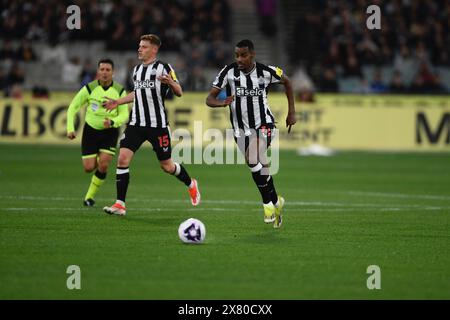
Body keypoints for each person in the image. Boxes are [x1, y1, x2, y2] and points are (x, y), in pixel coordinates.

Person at [102, 34, 200, 216]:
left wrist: (170, 82)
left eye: (144, 47)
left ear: (154, 49)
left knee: (167, 166)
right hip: (136, 124)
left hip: (158, 125)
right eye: (139, 46)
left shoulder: (163, 67)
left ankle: (191, 183)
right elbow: (137, 93)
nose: (140, 49)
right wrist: (118, 102)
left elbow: (179, 91)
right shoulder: (137, 70)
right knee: (122, 158)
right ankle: (120, 204)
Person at [206, 39, 296, 228]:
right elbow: (209, 98)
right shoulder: (227, 72)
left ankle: (267, 205)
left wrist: (291, 113)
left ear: (252, 55)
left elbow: (287, 82)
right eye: (237, 55)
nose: (239, 59)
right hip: (240, 130)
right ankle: (276, 202)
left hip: (264, 124)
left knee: (252, 157)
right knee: (261, 167)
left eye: (243, 55)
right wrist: (221, 103)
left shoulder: (266, 71)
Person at [66, 58, 129, 207]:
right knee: (89, 168)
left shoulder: (119, 91)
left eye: (108, 70)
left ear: (113, 73)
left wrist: (113, 122)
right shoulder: (89, 88)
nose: (105, 72)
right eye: (102, 70)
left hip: (110, 131)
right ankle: (96, 175)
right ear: (98, 71)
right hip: (91, 132)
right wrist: (70, 128)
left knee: (104, 165)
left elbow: (124, 114)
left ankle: (89, 197)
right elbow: (73, 107)